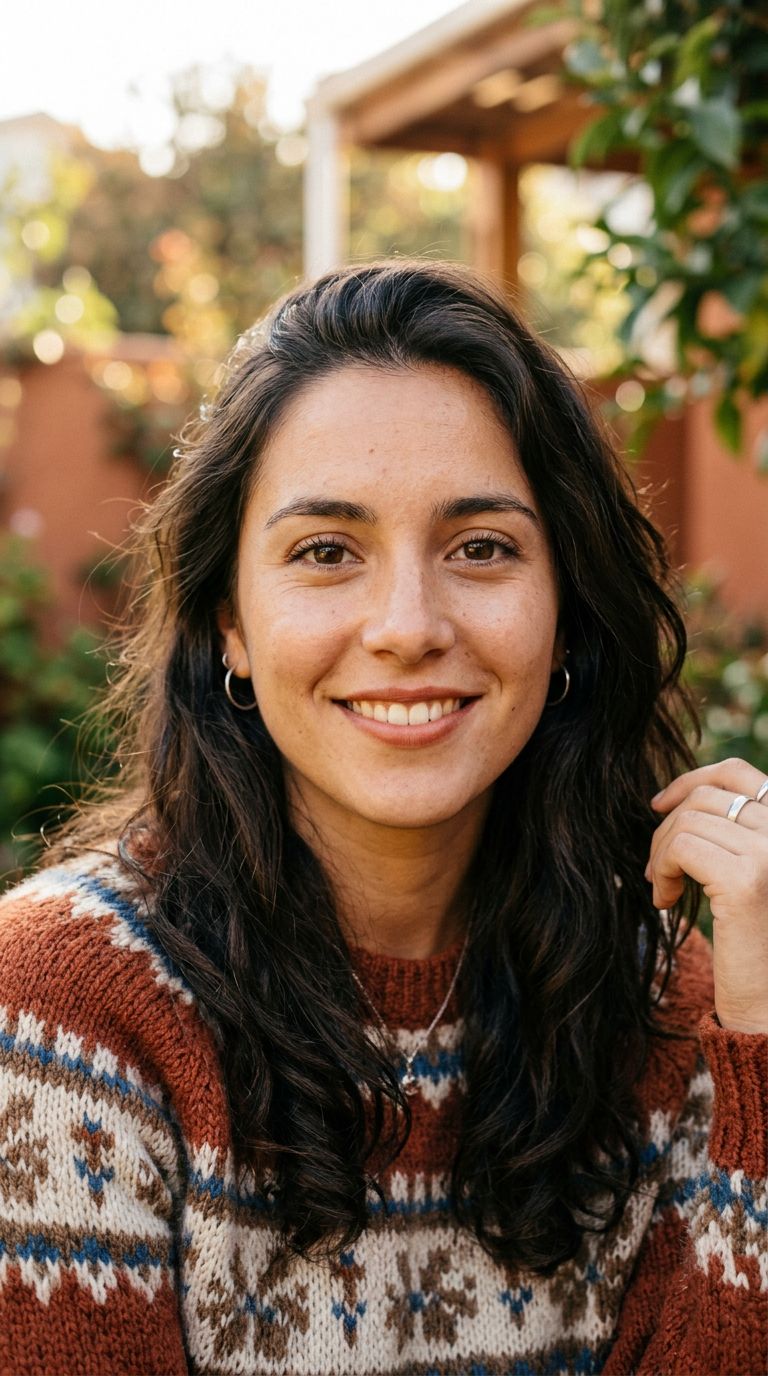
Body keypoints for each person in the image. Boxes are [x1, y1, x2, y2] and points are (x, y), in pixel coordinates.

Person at [0, 260, 765, 1376]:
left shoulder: (672, 1006)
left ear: (567, 611)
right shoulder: (64, 1020)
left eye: (482, 547)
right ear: (232, 628)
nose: (408, 624)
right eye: (326, 552)